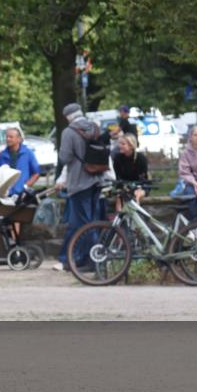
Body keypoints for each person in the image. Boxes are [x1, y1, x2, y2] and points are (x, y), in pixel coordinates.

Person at [56, 103, 103, 272]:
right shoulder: (95, 127)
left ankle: (94, 260)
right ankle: (83, 258)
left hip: (79, 182)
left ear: (68, 117)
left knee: (84, 224)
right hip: (96, 179)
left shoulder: (69, 132)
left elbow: (65, 157)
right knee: (91, 220)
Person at [111, 133, 149, 212]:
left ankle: (135, 217)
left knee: (135, 195)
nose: (120, 146)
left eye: (123, 144)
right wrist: (122, 187)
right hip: (124, 185)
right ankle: (120, 218)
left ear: (131, 146)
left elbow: (142, 179)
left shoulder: (140, 158)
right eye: (119, 143)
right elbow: (118, 177)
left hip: (140, 185)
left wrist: (133, 187)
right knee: (120, 196)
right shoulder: (118, 158)